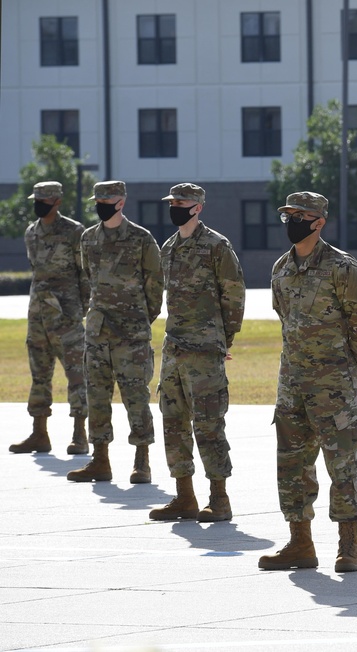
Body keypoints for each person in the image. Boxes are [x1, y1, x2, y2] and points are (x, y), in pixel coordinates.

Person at [258, 191, 357, 573]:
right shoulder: (280, 268)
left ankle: (348, 545)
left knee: (342, 466)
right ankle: (300, 543)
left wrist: (347, 371)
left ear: (319, 221)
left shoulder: (342, 268)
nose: (292, 221)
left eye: (299, 215)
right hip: (292, 383)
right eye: (287, 215)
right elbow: (285, 320)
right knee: (292, 466)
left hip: (334, 386)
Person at [148, 183, 246, 523]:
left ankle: (219, 498)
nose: (175, 206)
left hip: (205, 351)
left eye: (182, 202)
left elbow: (233, 296)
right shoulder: (169, 247)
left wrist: (223, 342)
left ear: (198, 207)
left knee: (208, 424)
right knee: (173, 423)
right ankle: (184, 497)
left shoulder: (217, 246)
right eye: (172, 202)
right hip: (174, 347)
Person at [68, 181, 163, 484]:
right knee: (96, 396)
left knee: (135, 397)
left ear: (121, 202)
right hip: (97, 333)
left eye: (107, 199)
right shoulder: (87, 239)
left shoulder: (141, 239)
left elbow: (155, 285)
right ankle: (100, 461)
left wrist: (139, 319)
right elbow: (87, 278)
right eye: (97, 199)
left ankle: (142, 461)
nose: (101, 204)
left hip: (131, 333)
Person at [10, 181, 90, 456]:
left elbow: (84, 273)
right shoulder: (31, 232)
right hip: (38, 315)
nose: (39, 203)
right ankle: (39, 432)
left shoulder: (74, 231)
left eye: (44, 199)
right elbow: (36, 272)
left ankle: (80, 434)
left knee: (77, 375)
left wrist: (82, 308)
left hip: (66, 315)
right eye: (37, 199)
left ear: (57, 201)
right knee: (39, 374)